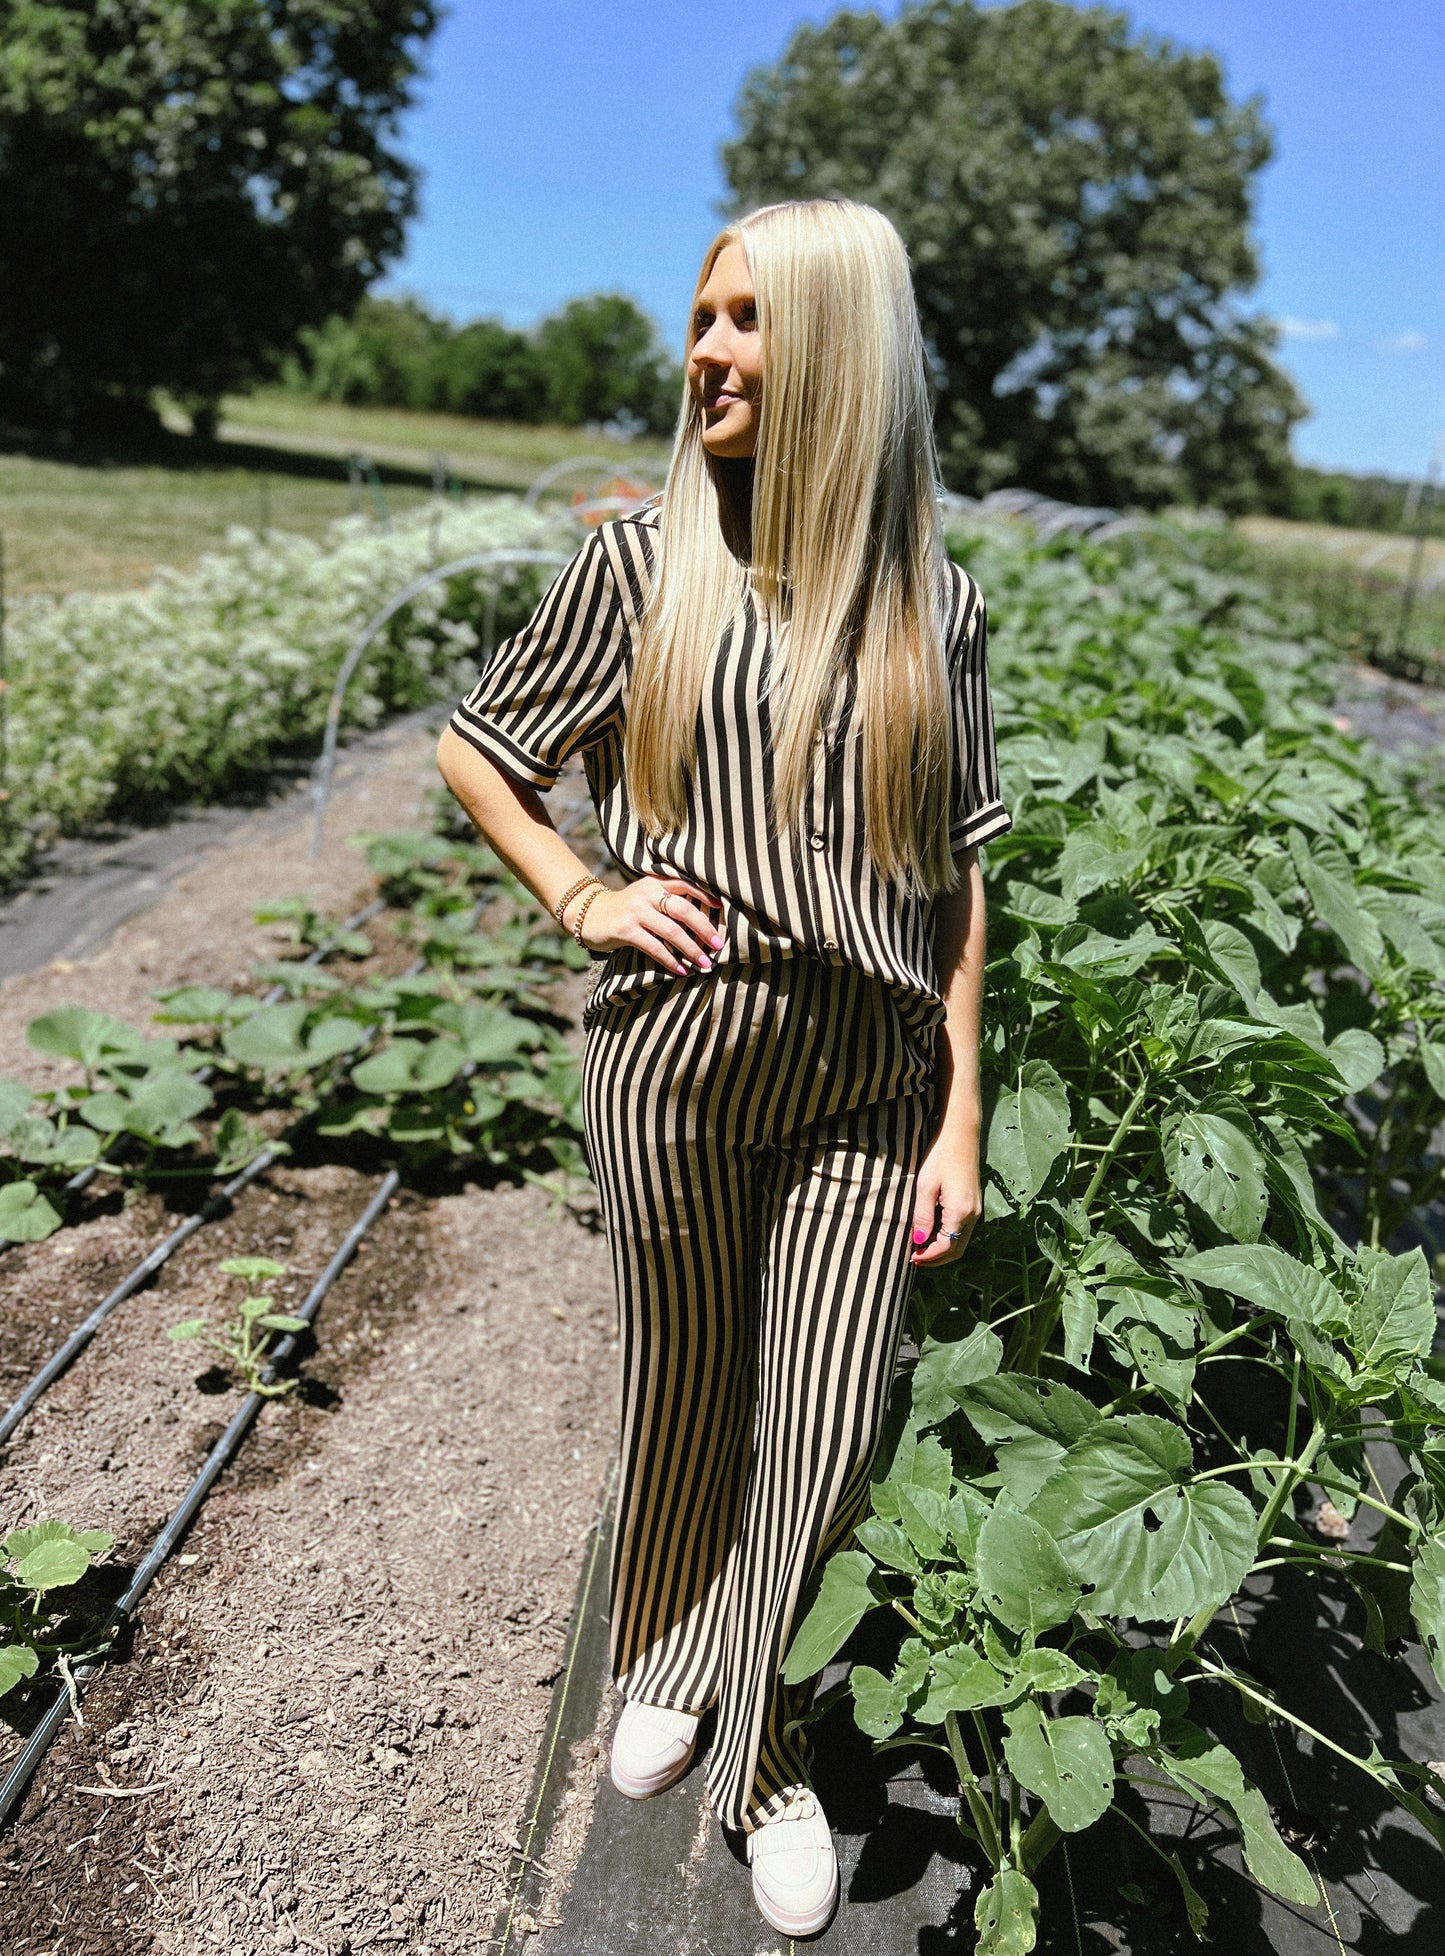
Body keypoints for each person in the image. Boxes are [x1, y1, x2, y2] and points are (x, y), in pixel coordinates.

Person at [436, 198, 1009, 1938]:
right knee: (682, 1399)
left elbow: (958, 865)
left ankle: (755, 1749)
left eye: (748, 322)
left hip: (862, 1080)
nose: (706, 354)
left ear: (837, 346)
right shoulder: (639, 567)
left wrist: (961, 1111)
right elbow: (483, 747)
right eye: (701, 319)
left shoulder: (936, 606)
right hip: (674, 1064)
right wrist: (582, 893)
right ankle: (669, 1655)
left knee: (821, 1428)